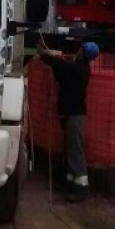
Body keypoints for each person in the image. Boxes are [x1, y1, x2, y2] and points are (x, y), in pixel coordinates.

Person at [37, 39, 100, 202]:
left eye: (80, 49)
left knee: (75, 151)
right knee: (71, 150)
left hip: (75, 115)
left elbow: (61, 66)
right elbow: (62, 68)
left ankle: (81, 189)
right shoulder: (79, 69)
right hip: (71, 114)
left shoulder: (79, 70)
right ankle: (71, 184)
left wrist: (44, 55)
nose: (77, 51)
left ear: (83, 54)